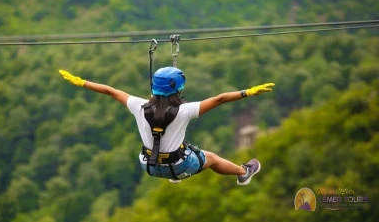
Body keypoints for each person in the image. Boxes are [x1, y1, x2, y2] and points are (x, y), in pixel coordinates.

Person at [59, 67, 275, 185]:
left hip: (149, 166)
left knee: (177, 147)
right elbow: (219, 99)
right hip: (178, 165)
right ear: (178, 89)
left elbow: (110, 91)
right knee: (213, 159)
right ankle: (244, 172)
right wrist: (247, 92)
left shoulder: (138, 105)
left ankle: (174, 172)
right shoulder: (185, 110)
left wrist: (82, 82)